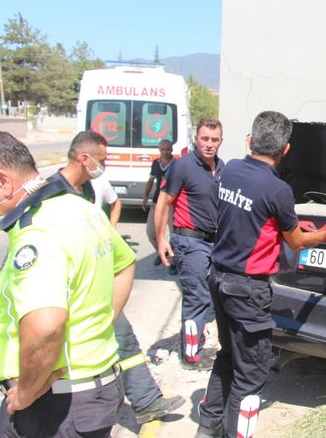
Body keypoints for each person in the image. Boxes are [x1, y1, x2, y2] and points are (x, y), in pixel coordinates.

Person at [0, 130, 136, 436]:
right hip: (92, 393)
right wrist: (100, 323)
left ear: (3, 181)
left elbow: (45, 328)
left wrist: (27, 392)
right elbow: (124, 264)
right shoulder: (83, 209)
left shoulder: (38, 230)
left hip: (56, 405)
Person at [196, 111, 326, 437]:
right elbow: (296, 242)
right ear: (286, 150)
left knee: (228, 357)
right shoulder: (278, 189)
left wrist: (283, 225)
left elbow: (250, 218)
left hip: (218, 279)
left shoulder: (231, 169)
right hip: (247, 291)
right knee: (250, 375)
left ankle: (207, 429)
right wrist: (325, 234)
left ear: (250, 140)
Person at [50, 130, 186, 424]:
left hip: (97, 286)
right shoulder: (51, 193)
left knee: (124, 338)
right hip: (69, 293)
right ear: (84, 158)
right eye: (101, 159)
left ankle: (146, 400)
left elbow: (115, 236)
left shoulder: (89, 186)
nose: (105, 165)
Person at [155, 116, 225, 370]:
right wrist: (162, 239)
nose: (209, 144)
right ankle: (191, 355)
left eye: (214, 140)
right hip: (188, 240)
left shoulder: (222, 168)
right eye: (204, 139)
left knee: (211, 297)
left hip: (213, 242)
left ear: (221, 141)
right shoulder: (182, 166)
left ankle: (194, 343)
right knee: (197, 298)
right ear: (196, 139)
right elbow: (163, 202)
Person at [143, 139, 175, 267]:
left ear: (172, 149)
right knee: (151, 232)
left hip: (172, 204)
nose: (165, 152)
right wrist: (145, 197)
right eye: (162, 149)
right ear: (159, 149)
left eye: (167, 149)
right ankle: (162, 252)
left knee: (175, 235)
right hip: (157, 202)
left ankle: (174, 262)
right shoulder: (155, 163)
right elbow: (151, 181)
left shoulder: (177, 164)